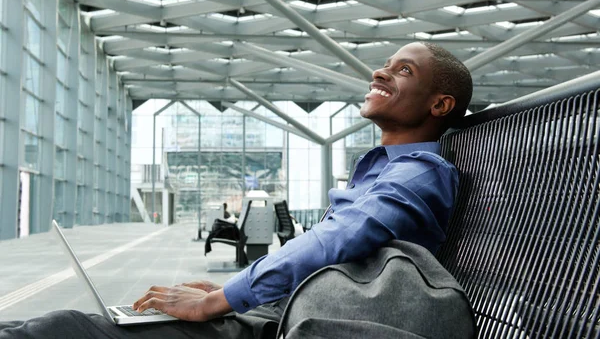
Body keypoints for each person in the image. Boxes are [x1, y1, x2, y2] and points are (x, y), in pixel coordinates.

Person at [0, 42, 472, 338]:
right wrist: (236, 292)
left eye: (403, 70)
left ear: (440, 104)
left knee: (60, 329)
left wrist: (219, 299)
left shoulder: (419, 172)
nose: (380, 73)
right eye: (385, 64)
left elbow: (337, 241)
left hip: (292, 322)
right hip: (287, 309)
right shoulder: (385, 169)